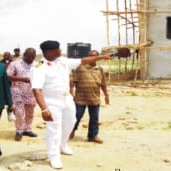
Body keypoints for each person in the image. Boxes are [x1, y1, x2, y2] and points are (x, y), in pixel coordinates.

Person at [30, 40, 111, 169]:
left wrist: (101, 57)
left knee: (71, 122)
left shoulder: (62, 61)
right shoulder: (39, 67)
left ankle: (62, 144)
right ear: (49, 51)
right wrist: (44, 109)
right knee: (54, 129)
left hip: (66, 99)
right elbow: (36, 89)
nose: (60, 50)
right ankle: (54, 156)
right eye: (58, 49)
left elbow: (83, 60)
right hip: (52, 101)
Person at [69, 50, 109, 144]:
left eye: (94, 56)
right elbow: (72, 83)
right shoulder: (79, 68)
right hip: (80, 98)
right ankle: (71, 131)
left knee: (94, 118)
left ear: (97, 57)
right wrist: (72, 93)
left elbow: (103, 83)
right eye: (90, 56)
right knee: (77, 116)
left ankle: (93, 136)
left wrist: (106, 95)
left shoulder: (99, 69)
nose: (92, 58)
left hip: (94, 98)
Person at [7, 48, 37, 141]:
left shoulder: (37, 64)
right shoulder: (15, 63)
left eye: (33, 56)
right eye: (29, 56)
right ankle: (19, 130)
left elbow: (44, 70)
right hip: (18, 91)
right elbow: (8, 76)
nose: (31, 58)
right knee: (19, 113)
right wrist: (22, 79)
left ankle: (27, 129)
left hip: (32, 92)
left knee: (30, 112)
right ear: (24, 54)